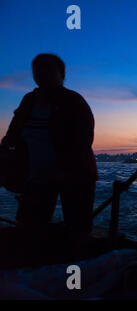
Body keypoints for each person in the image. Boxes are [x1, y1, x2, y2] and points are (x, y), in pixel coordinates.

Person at [0, 53, 98, 236]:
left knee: (77, 227)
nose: (42, 73)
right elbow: (12, 136)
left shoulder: (74, 101)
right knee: (30, 226)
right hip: (36, 175)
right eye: (37, 70)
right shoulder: (29, 100)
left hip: (75, 175)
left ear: (62, 74)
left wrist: (63, 170)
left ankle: (77, 260)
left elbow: (83, 140)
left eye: (48, 69)